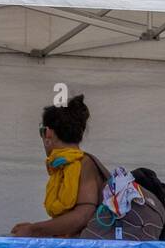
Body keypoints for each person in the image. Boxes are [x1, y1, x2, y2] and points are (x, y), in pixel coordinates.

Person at [10, 95, 103, 238]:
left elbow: (83, 215)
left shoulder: (84, 163)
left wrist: (34, 230)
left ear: (48, 133)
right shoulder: (63, 165)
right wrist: (36, 228)